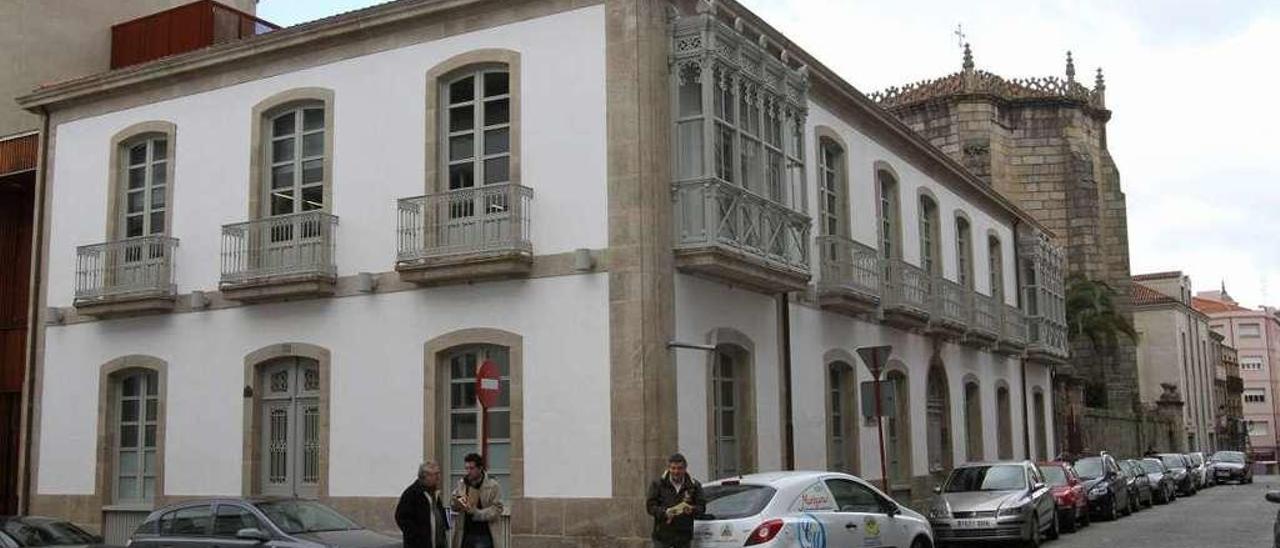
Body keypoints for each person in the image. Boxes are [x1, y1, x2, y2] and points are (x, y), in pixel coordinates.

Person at [645, 453, 705, 548]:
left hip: (683, 537)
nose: (676, 471)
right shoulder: (658, 484)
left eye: (679, 468)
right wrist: (665, 512)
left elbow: (702, 507)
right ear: (669, 468)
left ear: (685, 469)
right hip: (662, 536)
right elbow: (650, 507)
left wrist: (692, 509)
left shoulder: (694, 486)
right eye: (673, 468)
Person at [450, 453, 505, 548]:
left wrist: (478, 513)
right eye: (466, 468)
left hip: (484, 534)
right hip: (465, 533)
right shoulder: (462, 483)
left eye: (471, 468)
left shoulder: (492, 485)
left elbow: (497, 508)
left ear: (480, 469)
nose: (468, 471)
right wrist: (456, 504)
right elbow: (454, 501)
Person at [395, 462, 449, 548]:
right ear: (425, 476)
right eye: (435, 474)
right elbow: (401, 517)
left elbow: (438, 513)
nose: (438, 478)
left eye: (438, 474)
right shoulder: (412, 493)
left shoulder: (434, 492)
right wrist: (417, 536)